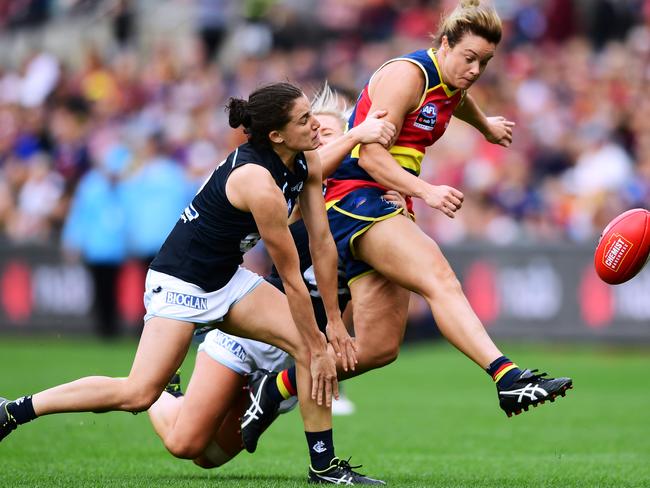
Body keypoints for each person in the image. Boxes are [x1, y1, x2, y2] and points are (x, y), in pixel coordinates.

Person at [0, 82, 381, 484]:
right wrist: (322, 342)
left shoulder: (305, 162)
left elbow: (322, 244)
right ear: (276, 135)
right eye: (305, 120)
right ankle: (15, 410)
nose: (316, 127)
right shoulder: (257, 180)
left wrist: (333, 324)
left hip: (228, 280)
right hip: (181, 283)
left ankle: (323, 466)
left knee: (310, 346)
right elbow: (289, 274)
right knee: (138, 393)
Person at [242, 0, 573, 451]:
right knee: (440, 278)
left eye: (485, 62)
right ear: (443, 44)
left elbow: (455, 100)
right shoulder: (407, 76)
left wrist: (486, 126)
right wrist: (428, 191)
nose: (475, 70)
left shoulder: (450, 80)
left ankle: (274, 387)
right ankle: (506, 375)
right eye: (469, 58)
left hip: (381, 201)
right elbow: (369, 155)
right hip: (354, 198)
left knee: (379, 348)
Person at [146, 83, 399, 474]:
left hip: (292, 347)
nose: (317, 135)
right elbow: (317, 167)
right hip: (254, 331)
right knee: (189, 444)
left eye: (326, 131)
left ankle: (311, 449)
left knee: (213, 457)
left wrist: (402, 202)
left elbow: (360, 301)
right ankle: (161, 391)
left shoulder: (366, 211)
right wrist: (351, 136)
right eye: (315, 129)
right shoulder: (294, 189)